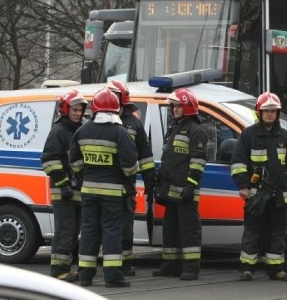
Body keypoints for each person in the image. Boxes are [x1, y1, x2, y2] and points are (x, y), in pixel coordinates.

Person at [69, 88, 140, 288]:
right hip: (113, 193)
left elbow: (74, 162)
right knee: (111, 232)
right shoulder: (120, 133)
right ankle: (113, 276)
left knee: (89, 231)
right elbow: (130, 166)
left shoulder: (82, 131)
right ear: (116, 110)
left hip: (89, 191)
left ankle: (85, 275)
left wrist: (87, 175)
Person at [230, 92, 287, 281]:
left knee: (278, 231)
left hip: (278, 194)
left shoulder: (284, 136)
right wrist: (243, 186)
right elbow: (238, 163)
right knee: (252, 231)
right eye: (266, 111)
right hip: (255, 195)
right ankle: (247, 268)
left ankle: (276, 269)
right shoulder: (248, 135)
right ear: (259, 112)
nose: (270, 114)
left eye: (273, 111)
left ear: (278, 113)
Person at [152, 88, 209, 280]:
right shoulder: (174, 128)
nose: (174, 109)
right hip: (170, 191)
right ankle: (170, 265)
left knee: (189, 231)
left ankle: (191, 268)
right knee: (170, 230)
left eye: (178, 106)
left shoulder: (197, 132)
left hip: (185, 191)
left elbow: (198, 161)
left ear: (188, 107)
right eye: (173, 106)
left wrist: (190, 186)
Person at [107, 79, 156, 277]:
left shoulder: (134, 124)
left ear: (123, 98)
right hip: (106, 184)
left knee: (126, 228)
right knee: (107, 228)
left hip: (126, 186)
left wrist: (150, 181)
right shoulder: (100, 121)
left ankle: (125, 264)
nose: (111, 99)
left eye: (115, 95)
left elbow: (145, 156)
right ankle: (110, 265)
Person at [40, 89, 87, 282]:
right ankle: (58, 271)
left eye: (80, 110)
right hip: (64, 193)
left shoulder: (81, 129)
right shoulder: (58, 131)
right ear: (66, 110)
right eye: (75, 110)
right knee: (64, 232)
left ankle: (69, 268)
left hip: (78, 192)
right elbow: (49, 160)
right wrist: (63, 183)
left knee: (74, 232)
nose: (78, 113)